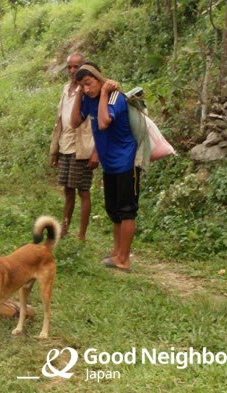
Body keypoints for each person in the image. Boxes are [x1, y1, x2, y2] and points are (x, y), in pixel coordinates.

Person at [71, 63, 138, 273]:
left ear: (100, 80)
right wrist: (78, 95)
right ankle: (116, 254)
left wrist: (104, 93)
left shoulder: (115, 98)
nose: (87, 89)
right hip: (110, 164)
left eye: (89, 83)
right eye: (82, 85)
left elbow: (103, 122)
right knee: (114, 210)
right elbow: (74, 122)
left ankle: (124, 260)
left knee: (127, 211)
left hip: (126, 161)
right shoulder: (88, 99)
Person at [50, 53, 98, 241]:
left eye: (76, 67)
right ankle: (65, 228)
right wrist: (55, 149)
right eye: (69, 67)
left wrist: (96, 152)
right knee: (67, 190)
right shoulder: (65, 89)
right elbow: (59, 121)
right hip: (65, 146)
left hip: (83, 147)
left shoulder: (89, 91)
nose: (72, 71)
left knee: (83, 190)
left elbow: (97, 124)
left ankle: (81, 235)